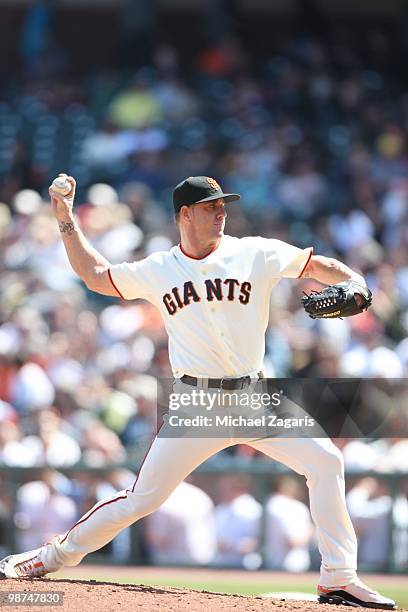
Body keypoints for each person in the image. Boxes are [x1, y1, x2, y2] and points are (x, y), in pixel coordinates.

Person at [0, 175, 395, 610]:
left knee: (325, 460)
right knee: (142, 499)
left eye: (223, 204)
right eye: (211, 206)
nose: (221, 212)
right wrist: (65, 220)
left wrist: (355, 279)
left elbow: (317, 265)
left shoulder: (254, 251)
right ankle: (49, 557)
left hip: (254, 394)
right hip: (197, 402)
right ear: (185, 214)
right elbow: (95, 276)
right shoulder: (160, 269)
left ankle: (339, 577)